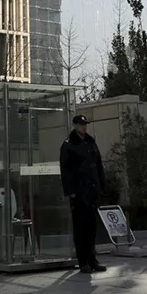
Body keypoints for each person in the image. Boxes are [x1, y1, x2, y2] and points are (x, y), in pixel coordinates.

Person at [59, 114, 106, 273]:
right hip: (79, 192)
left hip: (91, 190)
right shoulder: (68, 145)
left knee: (92, 228)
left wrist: (101, 186)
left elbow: (98, 165)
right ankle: (83, 261)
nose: (83, 127)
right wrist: (71, 191)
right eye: (80, 124)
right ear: (74, 125)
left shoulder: (91, 142)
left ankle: (93, 259)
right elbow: (65, 170)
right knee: (80, 228)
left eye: (85, 124)